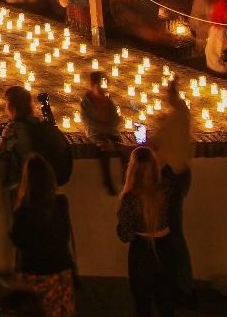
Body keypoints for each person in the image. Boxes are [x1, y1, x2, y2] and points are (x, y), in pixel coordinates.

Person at [146, 76, 194, 301]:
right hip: (184, 175)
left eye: (167, 94)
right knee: (175, 231)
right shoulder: (183, 113)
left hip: (172, 179)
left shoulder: (173, 120)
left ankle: (181, 287)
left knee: (173, 233)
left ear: (172, 95)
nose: (165, 97)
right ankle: (179, 283)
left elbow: (152, 144)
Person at [8, 153, 74, 317]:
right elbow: (65, 233)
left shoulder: (23, 210)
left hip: (35, 273)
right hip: (60, 270)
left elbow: (19, 240)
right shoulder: (61, 203)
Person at [117, 146, 179, 317]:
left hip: (140, 253)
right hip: (166, 249)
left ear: (132, 169)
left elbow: (125, 235)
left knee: (143, 305)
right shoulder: (167, 188)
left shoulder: (130, 199)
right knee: (166, 303)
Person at [79, 72, 124, 194]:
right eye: (98, 86)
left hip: (111, 132)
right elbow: (88, 121)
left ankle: (125, 176)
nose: (101, 89)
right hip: (96, 132)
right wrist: (104, 131)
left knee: (123, 148)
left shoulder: (109, 101)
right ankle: (107, 179)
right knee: (104, 149)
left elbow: (116, 118)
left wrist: (111, 128)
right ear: (93, 86)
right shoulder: (86, 102)